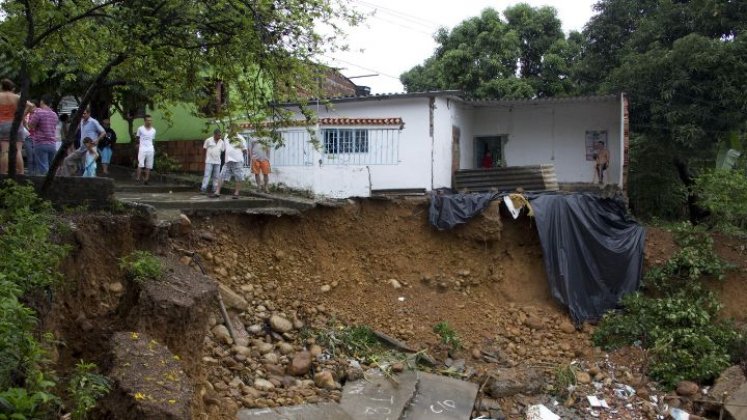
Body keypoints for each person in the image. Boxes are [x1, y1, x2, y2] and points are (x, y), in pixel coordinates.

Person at [0, 79, 31, 175]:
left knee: (4, 150)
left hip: (3, 124)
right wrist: (21, 115)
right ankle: (21, 172)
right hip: (16, 124)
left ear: (2, 87)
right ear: (12, 88)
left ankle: (3, 172)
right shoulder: (17, 97)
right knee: (18, 150)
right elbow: (31, 105)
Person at [28, 95, 59, 175]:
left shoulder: (38, 113)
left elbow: (31, 126)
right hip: (52, 144)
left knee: (43, 168)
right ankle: (52, 184)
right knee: (51, 168)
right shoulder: (54, 114)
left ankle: (45, 186)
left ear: (42, 101)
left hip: (40, 143)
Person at [211, 130, 246, 199]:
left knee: (238, 177)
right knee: (221, 175)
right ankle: (217, 192)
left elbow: (244, 150)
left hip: (237, 161)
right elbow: (224, 147)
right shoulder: (226, 137)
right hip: (228, 161)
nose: (229, 131)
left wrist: (239, 157)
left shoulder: (241, 138)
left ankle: (236, 193)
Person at [201, 128, 224, 194]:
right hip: (209, 161)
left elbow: (222, 151)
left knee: (216, 176)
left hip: (217, 161)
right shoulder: (208, 140)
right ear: (214, 134)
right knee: (207, 175)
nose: (219, 137)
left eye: (220, 135)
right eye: (218, 135)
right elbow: (204, 149)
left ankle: (214, 189)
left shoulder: (221, 142)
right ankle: (203, 188)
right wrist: (204, 159)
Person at [135, 114, 156, 184]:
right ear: (144, 121)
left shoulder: (153, 130)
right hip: (142, 148)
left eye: (150, 120)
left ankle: (146, 180)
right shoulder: (140, 129)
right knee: (140, 164)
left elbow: (152, 140)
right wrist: (138, 145)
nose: (149, 122)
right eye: (148, 120)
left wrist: (153, 148)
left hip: (150, 148)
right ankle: (137, 179)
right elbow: (137, 138)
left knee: (149, 165)